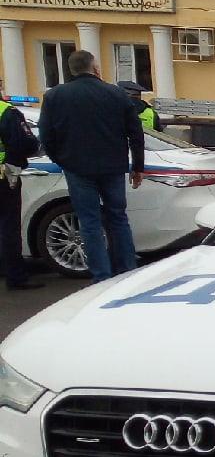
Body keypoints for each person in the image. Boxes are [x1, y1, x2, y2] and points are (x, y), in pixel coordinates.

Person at [38, 49, 144, 283]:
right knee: (118, 217)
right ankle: (127, 272)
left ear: (71, 70)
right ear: (95, 68)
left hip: (77, 168)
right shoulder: (116, 94)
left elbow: (45, 135)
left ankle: (102, 277)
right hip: (113, 167)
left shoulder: (55, 96)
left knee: (89, 222)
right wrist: (138, 166)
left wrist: (61, 159)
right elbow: (136, 133)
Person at [0, 92, 42, 291]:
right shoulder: (7, 112)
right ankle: (15, 276)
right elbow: (26, 144)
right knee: (8, 226)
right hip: (4, 177)